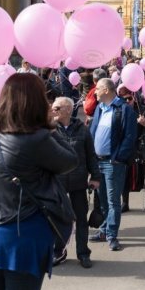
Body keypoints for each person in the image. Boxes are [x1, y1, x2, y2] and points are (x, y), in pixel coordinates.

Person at [0, 74, 77, 290]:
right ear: (36, 101)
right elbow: (70, 161)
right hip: (21, 229)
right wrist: (52, 127)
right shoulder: (36, 137)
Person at [88, 78, 138, 251]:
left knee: (113, 201)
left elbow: (130, 137)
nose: (95, 92)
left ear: (107, 90)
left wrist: (118, 157)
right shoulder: (99, 109)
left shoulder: (124, 109)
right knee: (102, 201)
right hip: (97, 162)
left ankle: (111, 235)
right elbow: (92, 134)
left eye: (98, 89)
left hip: (113, 162)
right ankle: (103, 230)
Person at [51, 96, 101, 269]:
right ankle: (58, 251)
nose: (53, 110)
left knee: (80, 218)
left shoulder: (82, 129)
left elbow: (91, 155)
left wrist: (95, 177)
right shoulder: (50, 129)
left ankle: (83, 253)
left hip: (79, 181)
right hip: (57, 182)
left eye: (57, 108)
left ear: (68, 110)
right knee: (58, 218)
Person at [119, 87, 145, 212]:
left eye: (129, 98)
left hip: (142, 146)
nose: (127, 101)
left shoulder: (142, 109)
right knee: (125, 175)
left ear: (133, 97)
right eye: (124, 99)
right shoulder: (119, 110)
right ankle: (125, 202)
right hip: (126, 147)